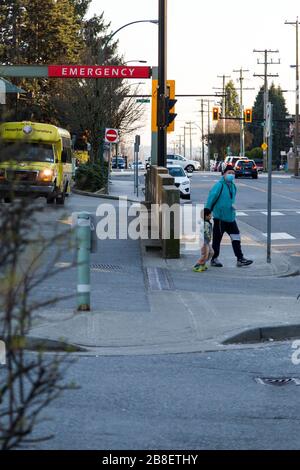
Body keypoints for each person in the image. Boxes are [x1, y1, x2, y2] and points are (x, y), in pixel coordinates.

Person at [205, 164, 253, 268]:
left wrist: (232, 206)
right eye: (229, 173)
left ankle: (240, 258)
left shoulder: (232, 185)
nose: (231, 175)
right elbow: (211, 197)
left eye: (233, 173)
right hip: (220, 218)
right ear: (224, 174)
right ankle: (214, 259)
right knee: (217, 240)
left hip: (230, 217)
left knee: (236, 237)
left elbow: (230, 199)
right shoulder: (219, 185)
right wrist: (207, 210)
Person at [193, 208, 214, 272]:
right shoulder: (203, 224)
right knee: (205, 254)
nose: (211, 216)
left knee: (211, 253)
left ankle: (203, 263)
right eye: (210, 215)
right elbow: (203, 233)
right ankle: (198, 265)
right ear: (206, 216)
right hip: (203, 242)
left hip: (207, 241)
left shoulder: (208, 222)